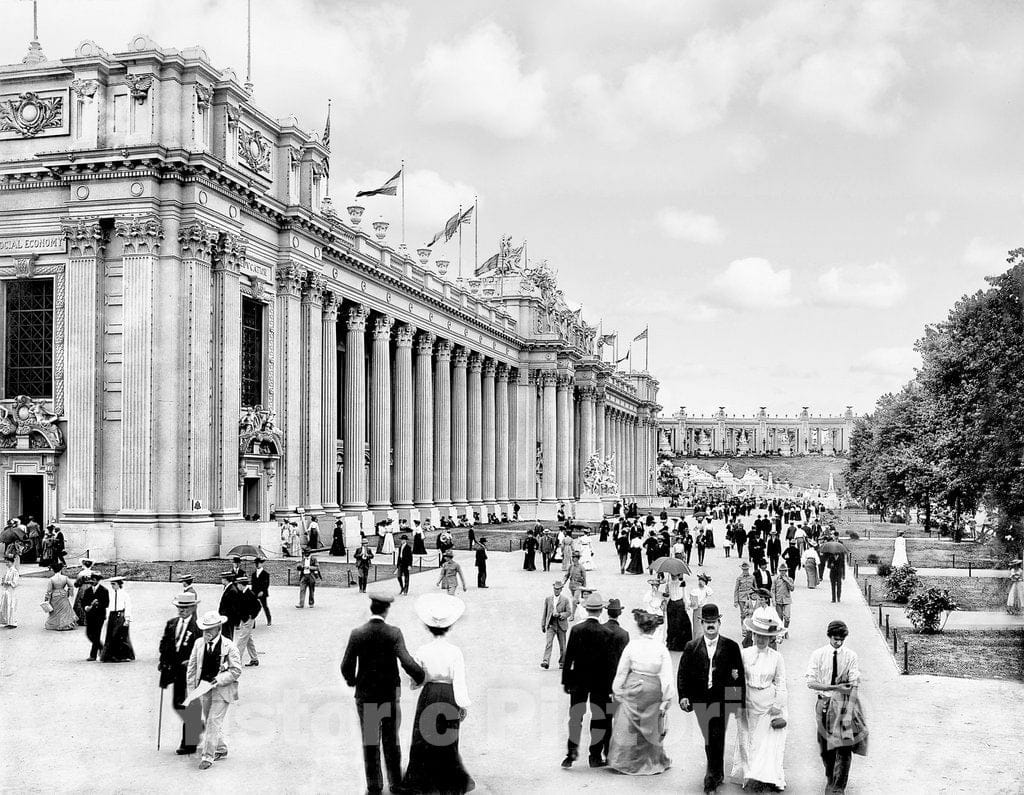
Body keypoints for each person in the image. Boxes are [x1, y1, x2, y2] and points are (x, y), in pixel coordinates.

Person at [341, 590, 426, 795]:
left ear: (371, 608)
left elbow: (346, 665)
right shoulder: (394, 633)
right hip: (388, 695)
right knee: (391, 740)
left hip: (366, 696)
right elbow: (406, 662)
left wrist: (353, 681)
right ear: (387, 610)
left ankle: (374, 786)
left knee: (370, 742)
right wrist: (420, 676)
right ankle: (395, 784)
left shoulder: (358, 633)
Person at [401, 593, 475, 794]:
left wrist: (417, 684)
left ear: (429, 627)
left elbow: (418, 678)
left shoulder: (424, 650)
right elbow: (459, 679)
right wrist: (462, 704)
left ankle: (422, 779)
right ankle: (448, 780)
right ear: (449, 627)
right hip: (449, 694)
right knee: (447, 736)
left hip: (429, 694)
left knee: (424, 735)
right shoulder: (454, 651)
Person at [678, 603, 746, 793]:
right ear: (701, 623)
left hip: (721, 701)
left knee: (715, 735)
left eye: (713, 622)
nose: (710, 625)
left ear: (719, 622)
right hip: (700, 700)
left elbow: (738, 676)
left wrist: (737, 704)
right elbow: (683, 673)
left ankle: (712, 775)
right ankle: (716, 772)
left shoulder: (731, 646)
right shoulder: (691, 647)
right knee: (709, 735)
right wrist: (684, 696)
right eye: (707, 622)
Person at [606, 608, 675, 775]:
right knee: (650, 724)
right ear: (655, 628)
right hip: (653, 688)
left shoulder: (633, 645)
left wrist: (617, 689)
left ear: (639, 627)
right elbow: (666, 675)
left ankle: (624, 761)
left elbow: (622, 670)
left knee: (628, 723)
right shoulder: (660, 648)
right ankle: (650, 761)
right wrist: (667, 698)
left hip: (633, 685)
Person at [806, 620, 867, 794]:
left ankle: (838, 788)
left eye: (841, 639)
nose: (838, 642)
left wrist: (849, 709)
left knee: (843, 746)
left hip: (843, 704)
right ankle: (831, 777)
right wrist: (834, 688)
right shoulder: (818, 655)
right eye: (835, 639)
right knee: (825, 745)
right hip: (823, 703)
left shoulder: (850, 656)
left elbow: (855, 682)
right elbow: (811, 682)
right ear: (829, 636)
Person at [561, 592, 612, 768]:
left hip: (578, 680)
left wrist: (566, 681)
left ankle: (571, 752)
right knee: (599, 717)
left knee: (575, 717)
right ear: (601, 611)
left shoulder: (576, 630)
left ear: (587, 609)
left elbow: (568, 658)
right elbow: (610, 663)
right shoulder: (607, 632)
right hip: (600, 682)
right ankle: (595, 755)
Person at [187, 610, 242, 770]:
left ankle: (207, 756)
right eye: (204, 629)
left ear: (218, 627)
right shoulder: (198, 643)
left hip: (223, 690)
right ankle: (221, 747)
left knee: (212, 721)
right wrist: (191, 690)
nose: (206, 632)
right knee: (210, 720)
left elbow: (236, 670)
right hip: (204, 688)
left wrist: (218, 679)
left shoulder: (230, 647)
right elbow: (191, 667)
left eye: (210, 629)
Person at [158, 591, 203, 755]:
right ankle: (196, 725)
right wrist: (163, 661)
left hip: (190, 673)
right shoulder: (172, 623)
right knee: (178, 703)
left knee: (190, 704)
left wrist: (191, 662)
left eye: (185, 607)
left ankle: (189, 742)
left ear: (193, 607)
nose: (181, 610)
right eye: (179, 607)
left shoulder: (198, 627)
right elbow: (164, 644)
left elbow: (201, 651)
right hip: (174, 670)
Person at [100, 576, 135, 661]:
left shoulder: (124, 594)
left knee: (121, 635)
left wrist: (127, 619)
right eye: (111, 584)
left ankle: (123, 656)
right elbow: (108, 606)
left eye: (114, 584)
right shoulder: (110, 594)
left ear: (119, 584)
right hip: (112, 616)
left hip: (121, 615)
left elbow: (128, 607)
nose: (112, 586)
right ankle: (110, 656)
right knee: (110, 636)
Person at [541, 580, 572, 670]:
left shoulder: (565, 600)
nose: (556, 591)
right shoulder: (548, 599)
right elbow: (545, 612)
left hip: (561, 625)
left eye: (558, 589)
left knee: (562, 645)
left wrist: (560, 614)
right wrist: (543, 625)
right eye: (555, 589)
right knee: (548, 643)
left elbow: (569, 612)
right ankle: (545, 661)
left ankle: (562, 662)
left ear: (561, 589)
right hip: (551, 624)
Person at [234, 575, 260, 667]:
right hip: (244, 619)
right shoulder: (242, 593)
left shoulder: (250, 594)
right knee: (249, 639)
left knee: (241, 640)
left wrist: (252, 616)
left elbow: (258, 606)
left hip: (248, 620)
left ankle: (236, 661)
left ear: (241, 585)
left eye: (238, 584)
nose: (237, 586)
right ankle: (254, 659)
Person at [43, 561, 77, 631]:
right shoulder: (65, 577)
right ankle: (65, 624)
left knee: (55, 610)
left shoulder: (52, 579)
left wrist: (46, 599)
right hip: (63, 594)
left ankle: (55, 624)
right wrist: (68, 593)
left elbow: (49, 591)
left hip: (54, 595)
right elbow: (71, 586)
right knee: (64, 610)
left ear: (53, 570)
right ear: (60, 569)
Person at [83, 572, 109, 660]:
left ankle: (93, 655)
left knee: (96, 634)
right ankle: (102, 648)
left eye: (93, 580)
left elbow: (106, 603)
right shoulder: (87, 590)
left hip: (99, 616)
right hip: (90, 615)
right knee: (89, 634)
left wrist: (98, 604)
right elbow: (84, 601)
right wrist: (86, 607)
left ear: (98, 580)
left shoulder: (104, 590)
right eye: (91, 579)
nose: (91, 581)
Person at [665, 572, 693, 652]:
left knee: (682, 624)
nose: (673, 576)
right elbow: (668, 595)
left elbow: (684, 595)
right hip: (671, 605)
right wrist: (666, 593)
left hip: (679, 604)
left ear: (678, 575)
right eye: (671, 575)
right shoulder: (669, 583)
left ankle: (681, 645)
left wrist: (687, 604)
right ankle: (672, 644)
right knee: (671, 625)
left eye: (674, 575)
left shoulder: (682, 583)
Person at [217, 571, 241, 639]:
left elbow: (233, 607)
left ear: (226, 579)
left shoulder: (231, 590)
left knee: (227, 636)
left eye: (222, 578)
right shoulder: (229, 588)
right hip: (226, 618)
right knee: (226, 636)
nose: (221, 580)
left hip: (228, 619)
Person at [772, 569, 795, 639]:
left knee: (787, 618)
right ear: (779, 571)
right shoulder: (776, 579)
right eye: (781, 571)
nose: (783, 572)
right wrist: (773, 600)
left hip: (787, 600)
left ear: (786, 571)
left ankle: (786, 631)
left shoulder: (789, 579)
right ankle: (781, 633)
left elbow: (792, 588)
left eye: (784, 571)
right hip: (778, 600)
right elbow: (773, 590)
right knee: (780, 618)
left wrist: (787, 580)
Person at [73, 558, 96, 625]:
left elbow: (77, 583)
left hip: (83, 588)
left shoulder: (81, 573)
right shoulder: (93, 573)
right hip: (91, 588)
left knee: (81, 601)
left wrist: (77, 585)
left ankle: (81, 620)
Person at [0, 553, 18, 627]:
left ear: (12, 562)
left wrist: (7, 582)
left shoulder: (14, 571)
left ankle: (13, 622)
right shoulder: (8, 571)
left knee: (11, 605)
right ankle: (7, 621)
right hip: (7, 590)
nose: (7, 563)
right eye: (6, 562)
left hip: (11, 591)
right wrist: (3, 582)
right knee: (5, 605)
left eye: (8, 562)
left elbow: (15, 582)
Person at [252, 558, 271, 625]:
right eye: (256, 563)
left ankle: (269, 620)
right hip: (255, 593)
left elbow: (266, 584)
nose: (257, 565)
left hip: (262, 593)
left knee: (265, 606)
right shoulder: (254, 574)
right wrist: (252, 593)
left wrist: (262, 591)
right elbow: (253, 584)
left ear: (261, 564)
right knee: (253, 607)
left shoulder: (266, 574)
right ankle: (252, 622)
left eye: (259, 563)